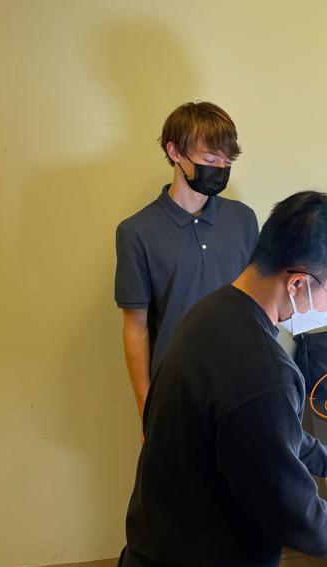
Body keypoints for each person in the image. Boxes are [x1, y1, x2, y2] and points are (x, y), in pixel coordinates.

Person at [114, 191, 327, 567]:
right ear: (297, 283)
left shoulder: (215, 310)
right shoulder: (263, 375)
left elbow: (272, 436)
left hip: (163, 560)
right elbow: (305, 526)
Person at [114, 101, 258, 434]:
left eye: (227, 161)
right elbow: (135, 328)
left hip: (247, 384)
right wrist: (147, 411)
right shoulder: (137, 232)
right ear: (175, 151)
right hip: (179, 394)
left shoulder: (243, 220)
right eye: (210, 159)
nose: (220, 168)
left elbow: (260, 301)